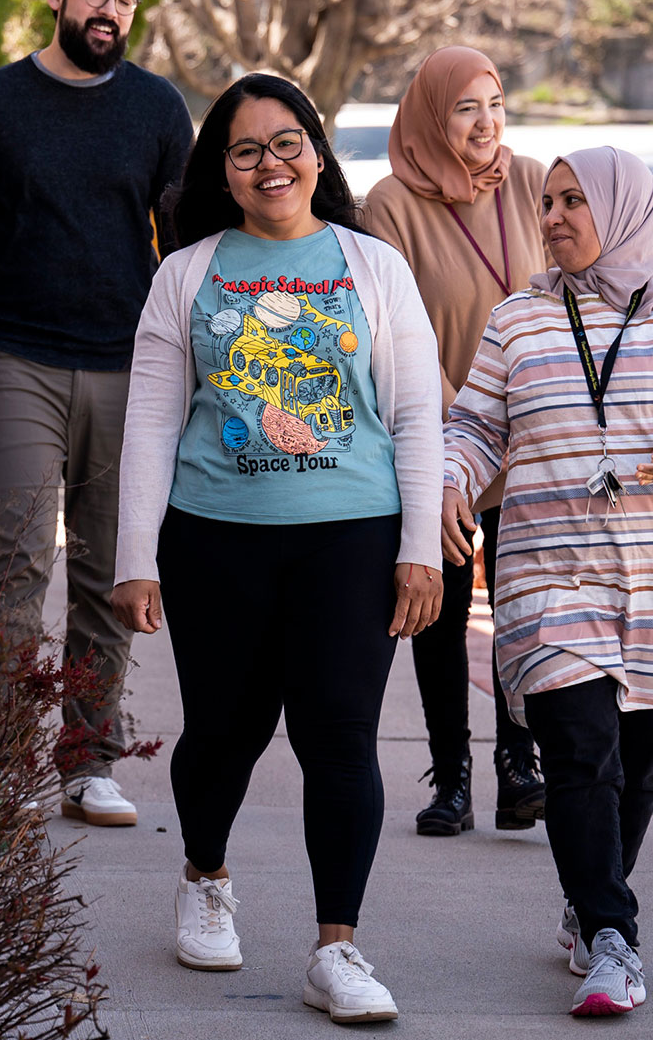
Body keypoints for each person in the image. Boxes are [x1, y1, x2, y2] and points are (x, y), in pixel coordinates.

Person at [110, 73, 442, 1025]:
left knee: (339, 736)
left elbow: (416, 413)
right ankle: (206, 876)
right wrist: (136, 556)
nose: (270, 164)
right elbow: (151, 423)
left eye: (287, 142)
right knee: (224, 731)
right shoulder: (186, 273)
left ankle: (336, 949)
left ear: (318, 153)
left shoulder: (373, 266)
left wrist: (420, 545)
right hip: (217, 540)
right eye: (247, 149)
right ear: (222, 170)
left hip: (353, 536)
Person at [440, 146, 653, 1017]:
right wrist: (452, 479)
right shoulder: (519, 317)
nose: (553, 217)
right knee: (579, 752)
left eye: (574, 200)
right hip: (548, 572)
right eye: (547, 201)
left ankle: (587, 896)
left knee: (637, 772)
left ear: (622, 207)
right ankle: (614, 937)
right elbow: (476, 426)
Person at [0, 0, 193, 828]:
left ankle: (89, 762)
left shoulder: (157, 109)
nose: (110, 12)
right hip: (17, 359)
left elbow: (187, 248)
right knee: (20, 560)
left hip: (128, 365)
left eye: (125, 0)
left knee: (112, 570)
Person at [360, 47, 550, 836]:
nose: (485, 122)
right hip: (436, 437)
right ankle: (453, 776)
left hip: (533, 435)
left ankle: (518, 761)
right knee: (440, 605)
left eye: (495, 103)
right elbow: (395, 332)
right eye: (467, 107)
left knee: (522, 604)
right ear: (434, 115)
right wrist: (466, 420)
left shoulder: (532, 182)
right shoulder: (391, 204)